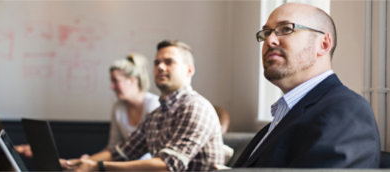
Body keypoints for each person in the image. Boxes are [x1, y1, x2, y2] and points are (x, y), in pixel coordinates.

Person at [233, 3, 380, 168]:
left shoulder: (346, 111)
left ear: (323, 44)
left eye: (286, 29)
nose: (270, 40)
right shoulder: (281, 119)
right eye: (266, 32)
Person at [69, 40, 224, 171]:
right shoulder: (156, 115)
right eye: (157, 63)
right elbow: (122, 152)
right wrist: (74, 164)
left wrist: (99, 167)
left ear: (189, 70)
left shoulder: (195, 106)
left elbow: (167, 166)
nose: (160, 67)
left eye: (168, 62)